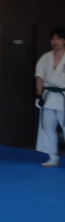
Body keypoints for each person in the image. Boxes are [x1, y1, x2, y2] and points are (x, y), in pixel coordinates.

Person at [34, 27, 65, 167]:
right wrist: (39, 96)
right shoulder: (45, 57)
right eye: (53, 38)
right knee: (47, 127)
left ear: (64, 40)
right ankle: (52, 157)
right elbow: (39, 77)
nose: (55, 41)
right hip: (49, 97)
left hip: (63, 95)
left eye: (58, 38)